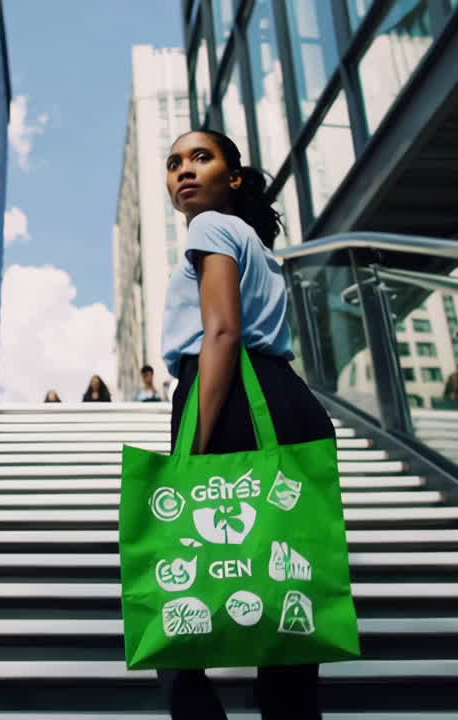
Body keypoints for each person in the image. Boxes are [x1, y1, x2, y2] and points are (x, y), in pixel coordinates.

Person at [156, 129, 335, 720]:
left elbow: (223, 332)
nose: (184, 170)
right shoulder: (255, 243)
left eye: (200, 158)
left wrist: (191, 454)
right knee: (291, 584)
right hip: (284, 399)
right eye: (174, 162)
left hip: (229, 392)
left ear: (232, 177)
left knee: (168, 569)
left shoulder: (209, 227)